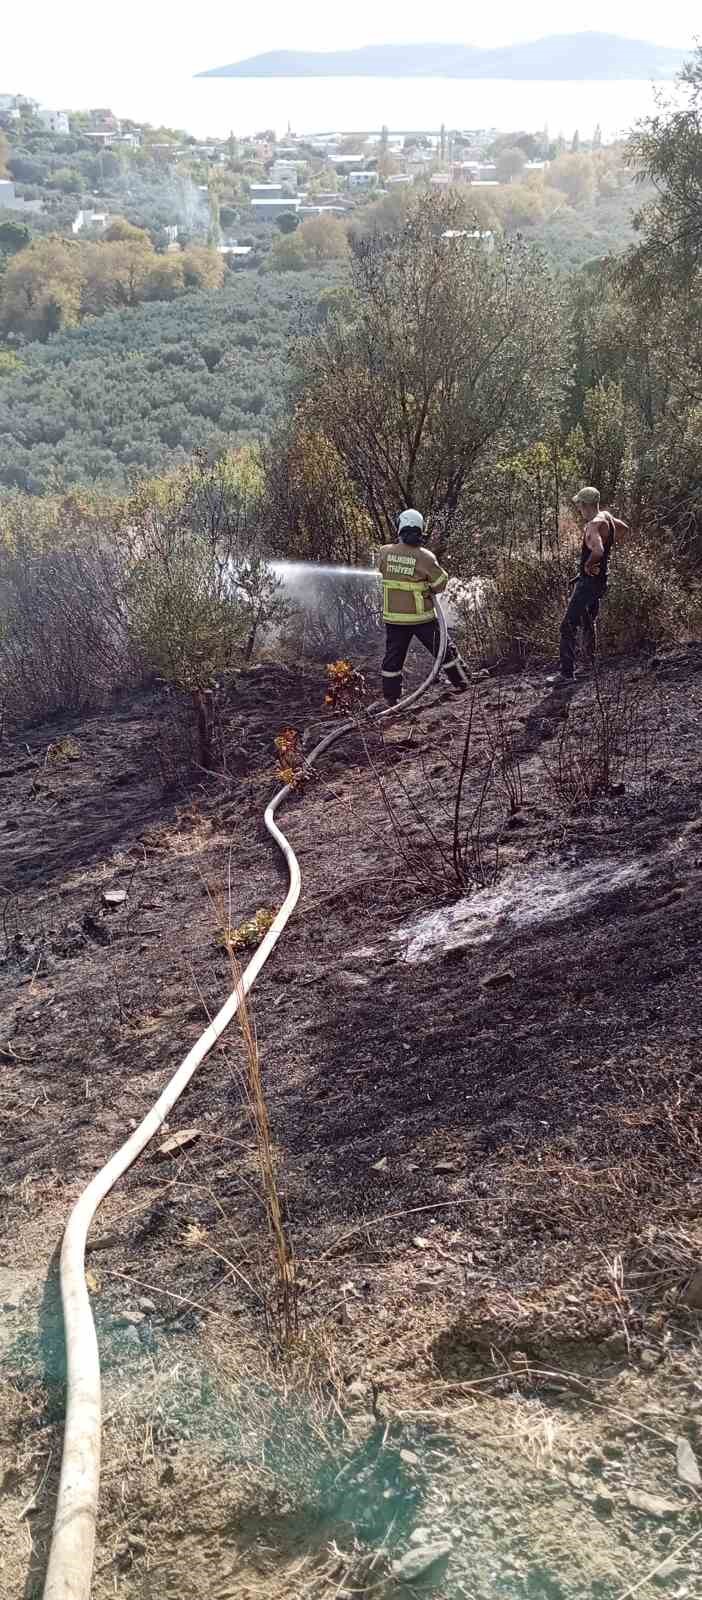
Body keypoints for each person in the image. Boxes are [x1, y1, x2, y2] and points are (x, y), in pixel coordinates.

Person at [377, 509, 469, 705]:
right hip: (422, 618)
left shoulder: (385, 552)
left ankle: (391, 698)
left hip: (394, 619)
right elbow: (441, 582)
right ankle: (463, 682)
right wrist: (428, 588)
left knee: (393, 658)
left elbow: (382, 569)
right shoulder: (425, 557)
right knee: (444, 650)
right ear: (420, 529)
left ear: (400, 527)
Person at [556, 486, 629, 682]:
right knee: (588, 621)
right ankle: (589, 666)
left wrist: (589, 565)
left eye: (579, 504)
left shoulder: (593, 525)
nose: (578, 508)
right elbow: (624, 529)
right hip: (601, 581)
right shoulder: (606, 516)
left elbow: (598, 550)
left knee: (567, 626)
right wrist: (604, 556)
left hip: (589, 583)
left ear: (585, 505)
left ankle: (566, 674)